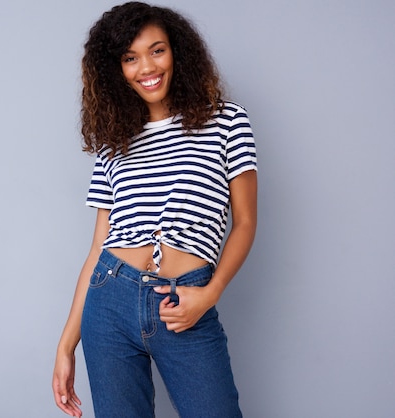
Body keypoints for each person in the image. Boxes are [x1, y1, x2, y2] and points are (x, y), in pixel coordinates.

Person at [52, 2, 257, 417]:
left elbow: (246, 222)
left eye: (157, 50)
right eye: (130, 58)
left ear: (178, 51)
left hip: (185, 299)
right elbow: (97, 248)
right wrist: (66, 344)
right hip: (109, 301)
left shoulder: (226, 121)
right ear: (117, 69)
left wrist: (210, 293)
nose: (147, 66)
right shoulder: (115, 144)